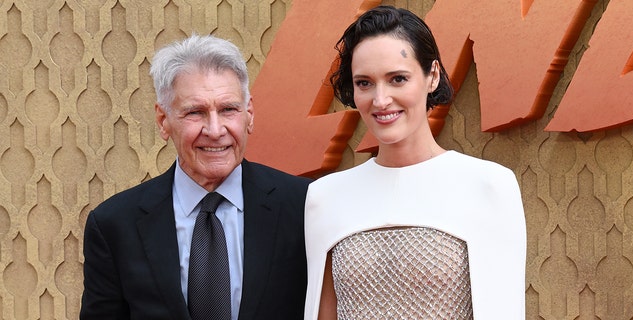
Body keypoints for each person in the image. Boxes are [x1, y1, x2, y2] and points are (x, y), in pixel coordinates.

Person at [304, 6, 527, 320]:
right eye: (365, 83)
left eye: (397, 79)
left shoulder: (489, 186)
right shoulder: (325, 197)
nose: (380, 100)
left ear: (432, 75)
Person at [80, 34, 311, 320]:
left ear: (249, 113)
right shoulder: (114, 225)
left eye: (228, 109)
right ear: (163, 120)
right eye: (195, 112)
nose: (215, 130)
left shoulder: (305, 206)